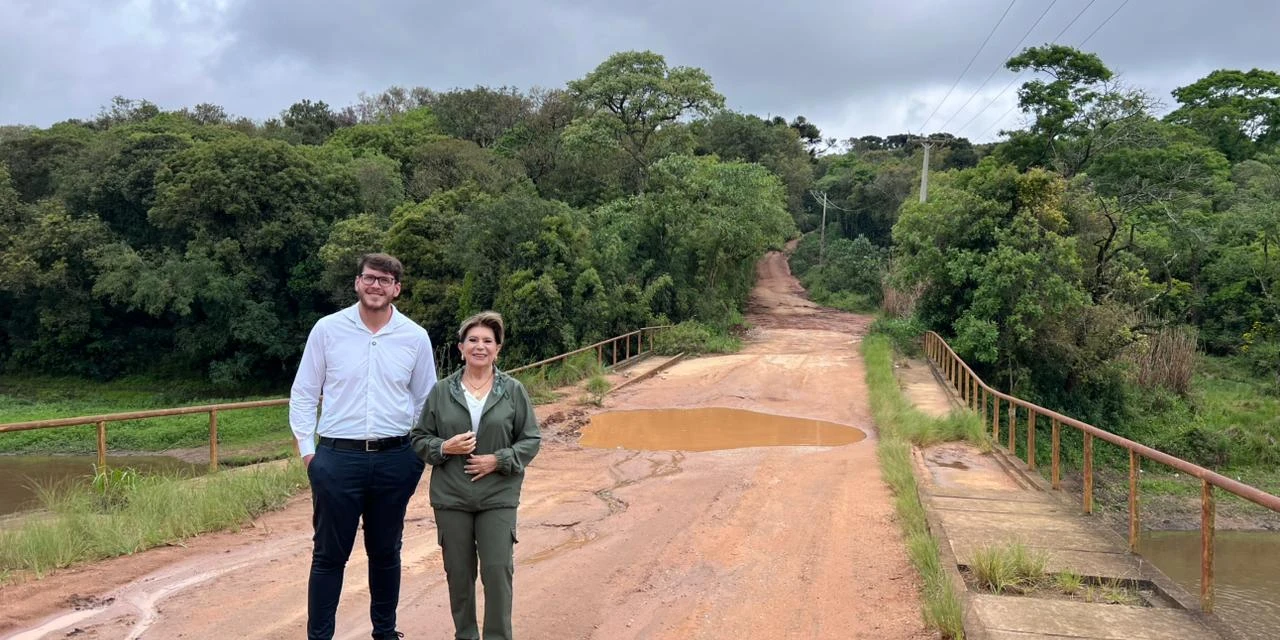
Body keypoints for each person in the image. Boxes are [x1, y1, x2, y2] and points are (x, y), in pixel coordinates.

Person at [289, 253, 437, 640]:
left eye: (385, 281)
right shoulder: (328, 330)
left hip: (396, 459)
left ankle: (385, 633)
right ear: (357, 282)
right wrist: (309, 454)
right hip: (337, 458)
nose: (376, 286)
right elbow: (304, 393)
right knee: (328, 556)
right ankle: (320, 636)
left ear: (396, 289)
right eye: (370, 278)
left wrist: (416, 456)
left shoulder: (414, 337)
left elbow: (426, 400)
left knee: (386, 553)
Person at [411, 311, 541, 640]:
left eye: (487, 341)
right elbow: (419, 438)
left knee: (497, 572)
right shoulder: (442, 392)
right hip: (452, 497)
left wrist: (498, 460)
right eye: (473, 340)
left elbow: (531, 439)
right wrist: (445, 447)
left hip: (497, 496)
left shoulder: (513, 391)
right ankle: (465, 635)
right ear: (460, 348)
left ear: (498, 349)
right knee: (459, 575)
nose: (479, 346)